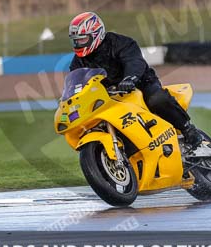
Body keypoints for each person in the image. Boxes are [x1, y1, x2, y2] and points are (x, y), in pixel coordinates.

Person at [68, 11, 203, 148]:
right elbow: (77, 81)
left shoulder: (119, 43)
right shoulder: (78, 62)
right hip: (108, 96)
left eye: (82, 39)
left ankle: (188, 129)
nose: (78, 44)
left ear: (96, 34)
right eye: (76, 40)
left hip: (140, 83)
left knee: (156, 99)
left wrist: (129, 78)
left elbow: (134, 61)